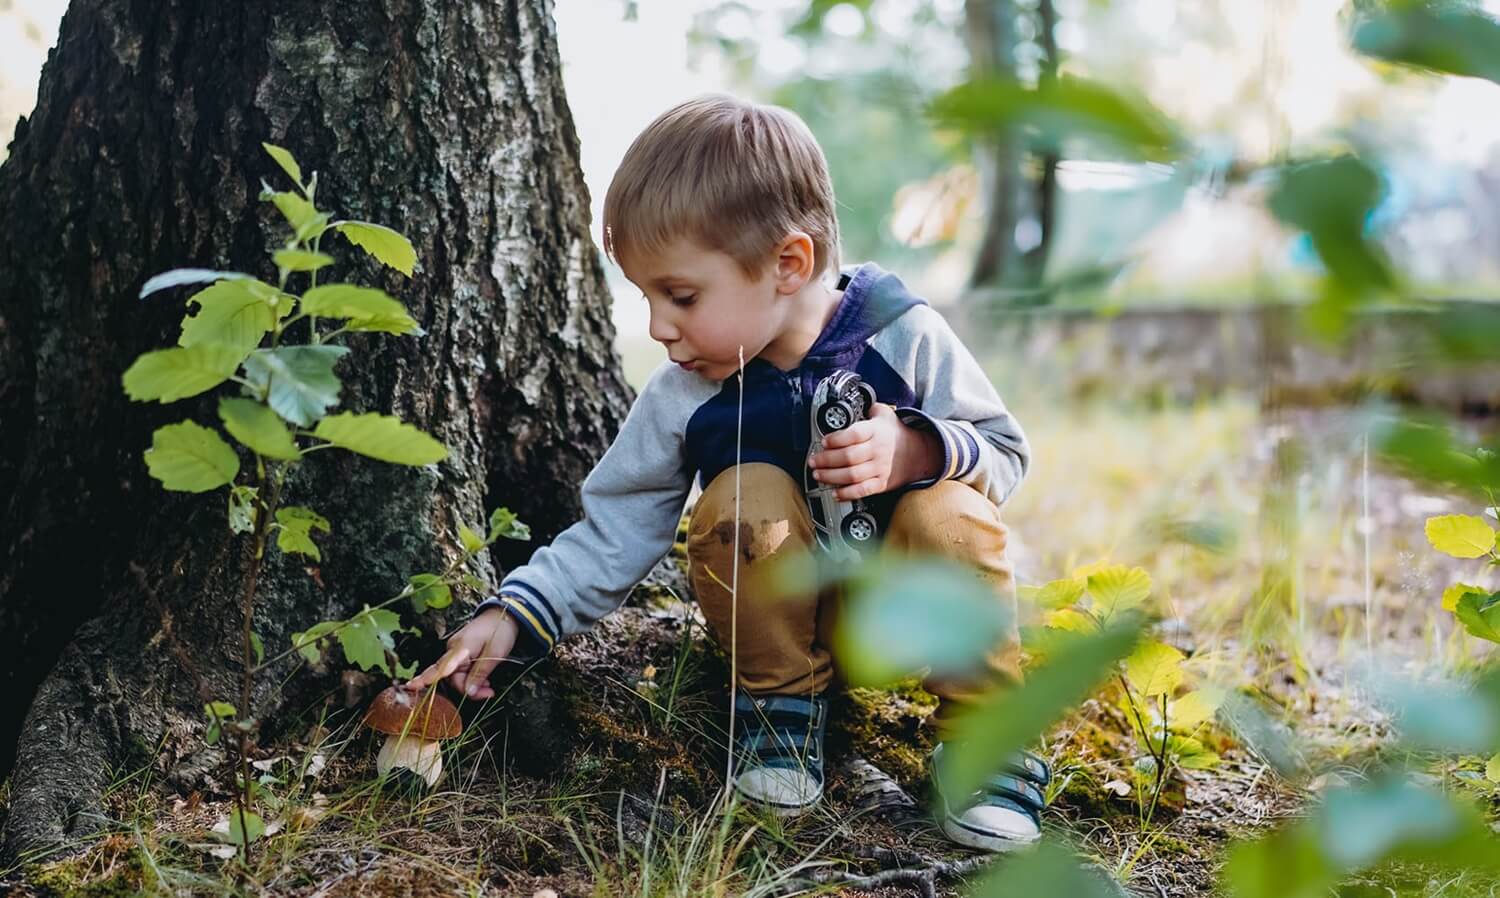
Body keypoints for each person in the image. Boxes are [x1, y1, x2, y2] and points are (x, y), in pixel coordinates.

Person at [407, 94, 1046, 852]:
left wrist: (918, 450)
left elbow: (1004, 452)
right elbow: (618, 525)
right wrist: (515, 614)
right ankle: (780, 712)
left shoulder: (902, 335)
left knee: (951, 509)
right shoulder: (687, 393)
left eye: (680, 296)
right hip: (787, 628)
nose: (658, 327)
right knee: (744, 496)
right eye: (647, 297)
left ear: (787, 263)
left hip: (911, 612)